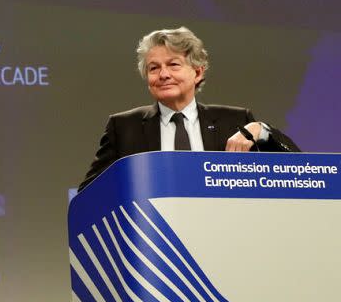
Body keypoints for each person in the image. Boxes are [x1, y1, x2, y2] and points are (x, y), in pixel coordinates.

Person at [79, 26, 299, 190]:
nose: (163, 74)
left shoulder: (235, 121)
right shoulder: (125, 126)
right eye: (154, 68)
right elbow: (87, 192)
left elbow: (299, 167)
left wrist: (262, 131)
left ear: (198, 72)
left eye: (173, 65)